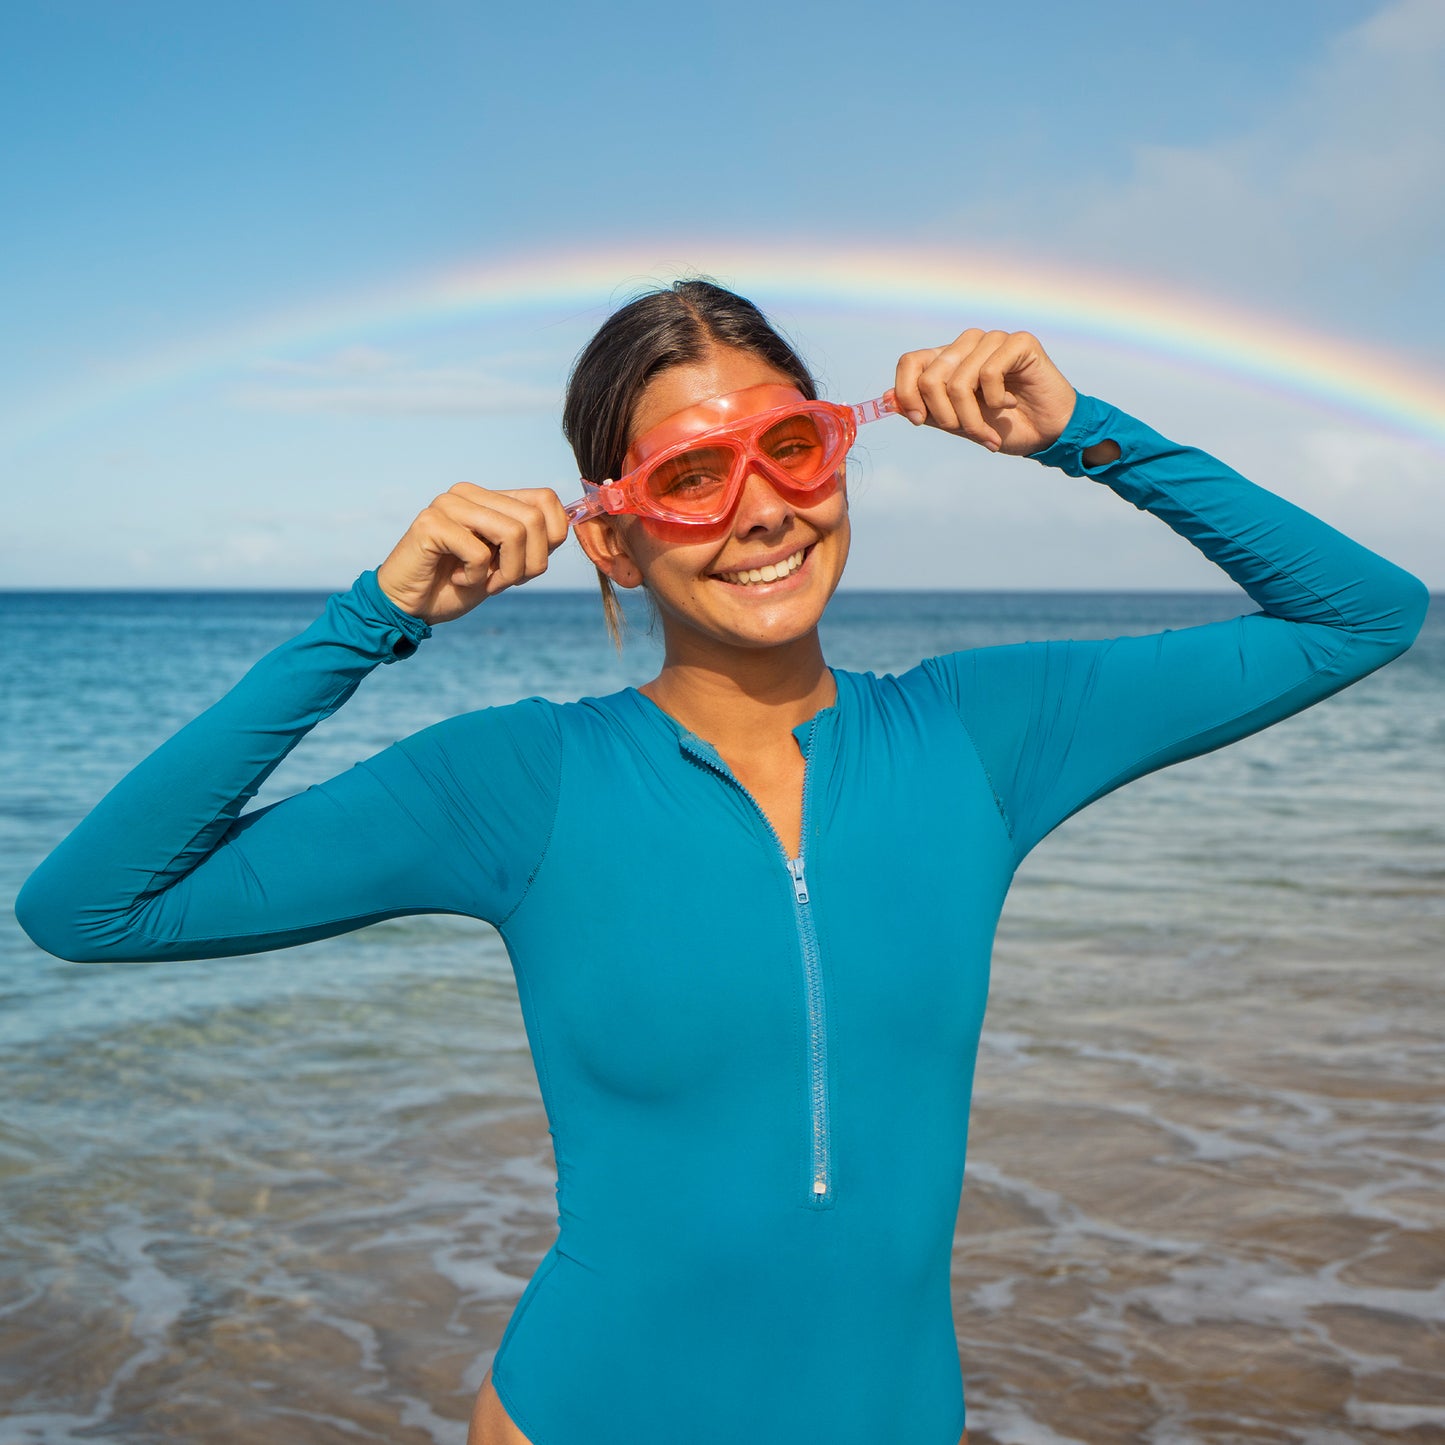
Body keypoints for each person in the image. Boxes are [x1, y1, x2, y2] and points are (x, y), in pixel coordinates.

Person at [15, 280, 1429, 1445]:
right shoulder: (520, 780)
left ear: (837, 463)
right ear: (616, 540)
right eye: (692, 475)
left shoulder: (981, 735)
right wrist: (371, 616)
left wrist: (1080, 433)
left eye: (790, 448)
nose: (758, 509)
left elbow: (1360, 615)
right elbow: (89, 906)